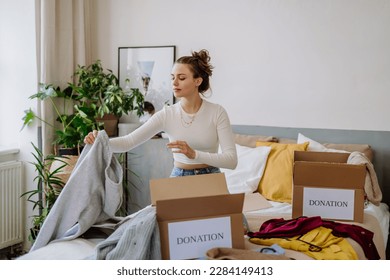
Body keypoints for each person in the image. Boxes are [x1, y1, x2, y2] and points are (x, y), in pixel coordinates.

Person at [84, 49, 237, 177]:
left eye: (181, 78)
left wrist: (194, 154)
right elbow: (128, 142)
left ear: (198, 81)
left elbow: (231, 161)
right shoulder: (167, 114)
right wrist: (100, 141)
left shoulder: (217, 112)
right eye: (172, 78)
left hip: (211, 179)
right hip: (180, 177)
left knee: (229, 214)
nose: (174, 83)